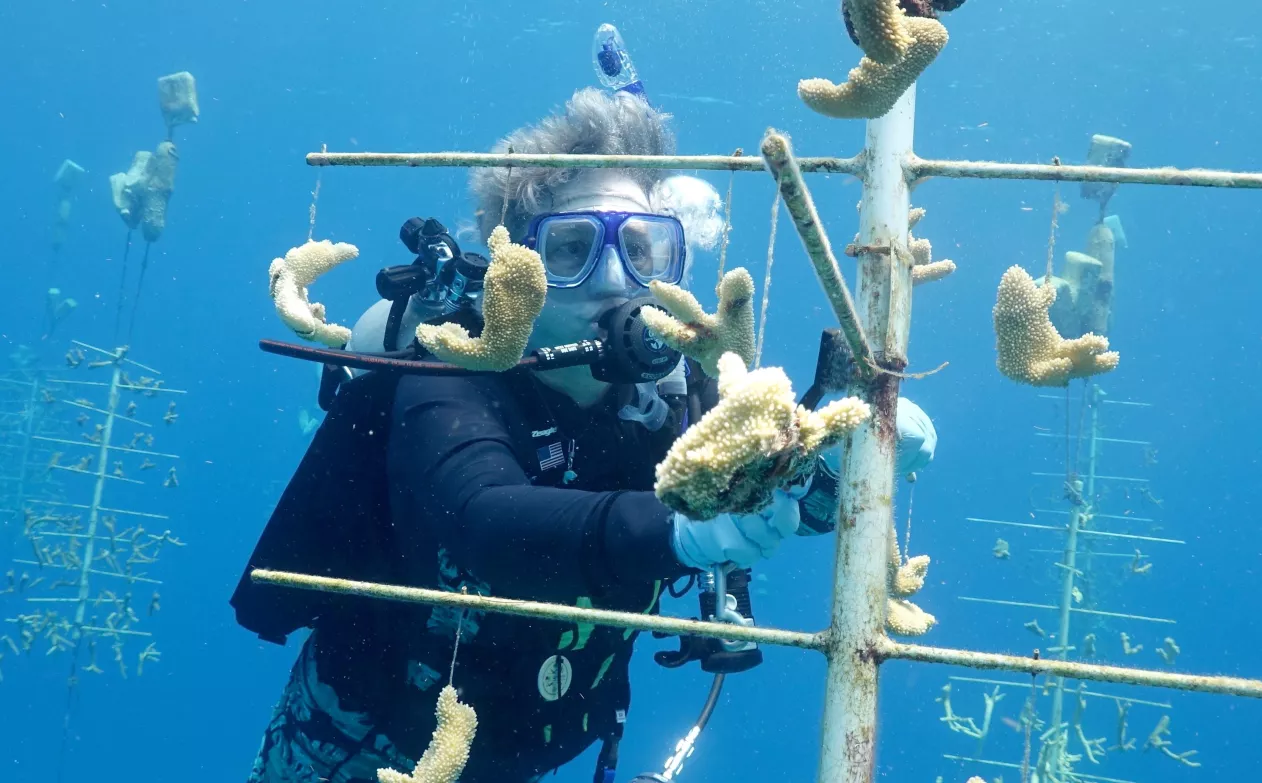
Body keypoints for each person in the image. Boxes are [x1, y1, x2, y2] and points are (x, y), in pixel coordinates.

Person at [233, 87, 937, 783]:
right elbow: (484, 517)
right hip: (355, 747)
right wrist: (678, 533)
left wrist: (845, 461)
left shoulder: (675, 399)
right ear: (515, 271)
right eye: (571, 249)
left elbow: (769, 491)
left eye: (642, 250)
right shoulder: (449, 371)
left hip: (534, 759)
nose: (611, 279)